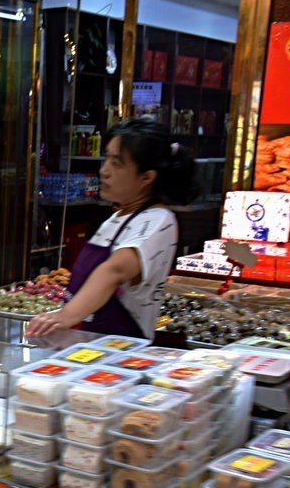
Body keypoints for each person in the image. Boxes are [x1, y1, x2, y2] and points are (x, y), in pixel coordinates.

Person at [27, 119, 197, 339]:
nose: (104, 171)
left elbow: (113, 271)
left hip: (122, 355)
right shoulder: (118, 217)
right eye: (106, 158)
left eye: (117, 163)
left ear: (147, 177)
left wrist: (66, 315)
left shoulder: (158, 220)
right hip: (87, 349)